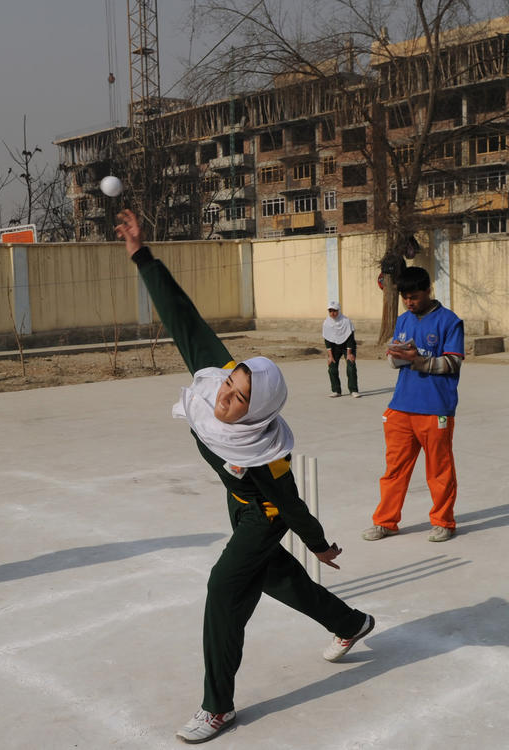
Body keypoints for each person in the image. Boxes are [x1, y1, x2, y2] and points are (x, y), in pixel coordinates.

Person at [114, 209, 373, 744]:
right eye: (231, 389)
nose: (227, 402)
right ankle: (350, 624)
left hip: (265, 515)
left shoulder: (267, 452)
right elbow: (183, 317)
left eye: (240, 401)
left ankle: (217, 707)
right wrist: (142, 253)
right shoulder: (214, 380)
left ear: (260, 412)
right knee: (275, 578)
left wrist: (320, 545)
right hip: (238, 504)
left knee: (224, 588)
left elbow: (289, 500)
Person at [363, 266, 463, 544]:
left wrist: (418, 359)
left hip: (435, 408)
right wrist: (396, 355)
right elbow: (395, 361)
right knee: (394, 471)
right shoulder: (403, 320)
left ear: (428, 291)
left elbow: (453, 362)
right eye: (405, 297)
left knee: (439, 470)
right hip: (401, 407)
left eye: (414, 296)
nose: (409, 302)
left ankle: (443, 521)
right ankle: (385, 522)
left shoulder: (450, 321)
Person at [323, 301, 360, 398]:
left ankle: (353, 390)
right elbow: (327, 341)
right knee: (332, 367)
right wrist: (330, 356)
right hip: (334, 348)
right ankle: (336, 390)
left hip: (348, 346)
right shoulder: (327, 323)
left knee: (351, 366)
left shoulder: (346, 321)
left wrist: (349, 353)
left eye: (334, 311)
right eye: (330, 311)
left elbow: (350, 339)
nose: (332, 313)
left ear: (338, 311)